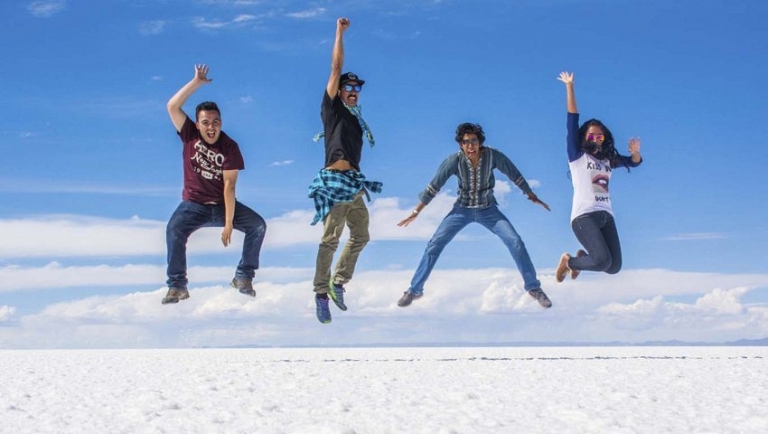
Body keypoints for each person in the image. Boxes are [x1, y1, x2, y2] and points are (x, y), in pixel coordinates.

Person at [397, 122, 553, 309]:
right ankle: (414, 290)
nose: (470, 145)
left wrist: (531, 195)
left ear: (480, 142)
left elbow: (514, 174)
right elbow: (434, 186)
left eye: (473, 141)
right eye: (465, 142)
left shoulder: (493, 156)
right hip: (462, 209)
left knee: (515, 241)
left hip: (488, 209)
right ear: (460, 145)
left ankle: (534, 288)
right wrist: (416, 212)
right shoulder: (453, 161)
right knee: (435, 244)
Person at [162, 64, 267, 305]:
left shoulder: (229, 147)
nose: (211, 127)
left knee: (257, 226)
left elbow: (229, 187)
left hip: (222, 205)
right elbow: (172, 106)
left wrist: (229, 223)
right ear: (198, 124)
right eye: (206, 122)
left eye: (216, 122)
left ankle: (243, 276)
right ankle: (177, 286)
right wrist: (196, 83)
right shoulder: (189, 134)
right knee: (174, 230)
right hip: (193, 205)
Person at [309, 18, 381, 324]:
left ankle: (337, 283)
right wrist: (339, 33)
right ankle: (320, 294)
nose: (352, 91)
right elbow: (336, 68)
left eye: (356, 88)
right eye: (348, 87)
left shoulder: (355, 120)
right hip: (334, 182)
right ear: (338, 92)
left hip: (353, 185)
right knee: (330, 239)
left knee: (361, 236)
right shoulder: (332, 111)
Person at [554, 71, 643, 282]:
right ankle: (569, 261)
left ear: (604, 138)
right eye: (591, 135)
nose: (596, 138)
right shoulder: (577, 156)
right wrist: (569, 87)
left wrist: (635, 152)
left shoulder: (608, 160)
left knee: (614, 267)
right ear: (585, 137)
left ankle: (582, 259)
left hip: (606, 215)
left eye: (600, 135)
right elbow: (572, 120)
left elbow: (634, 162)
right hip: (584, 216)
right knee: (602, 261)